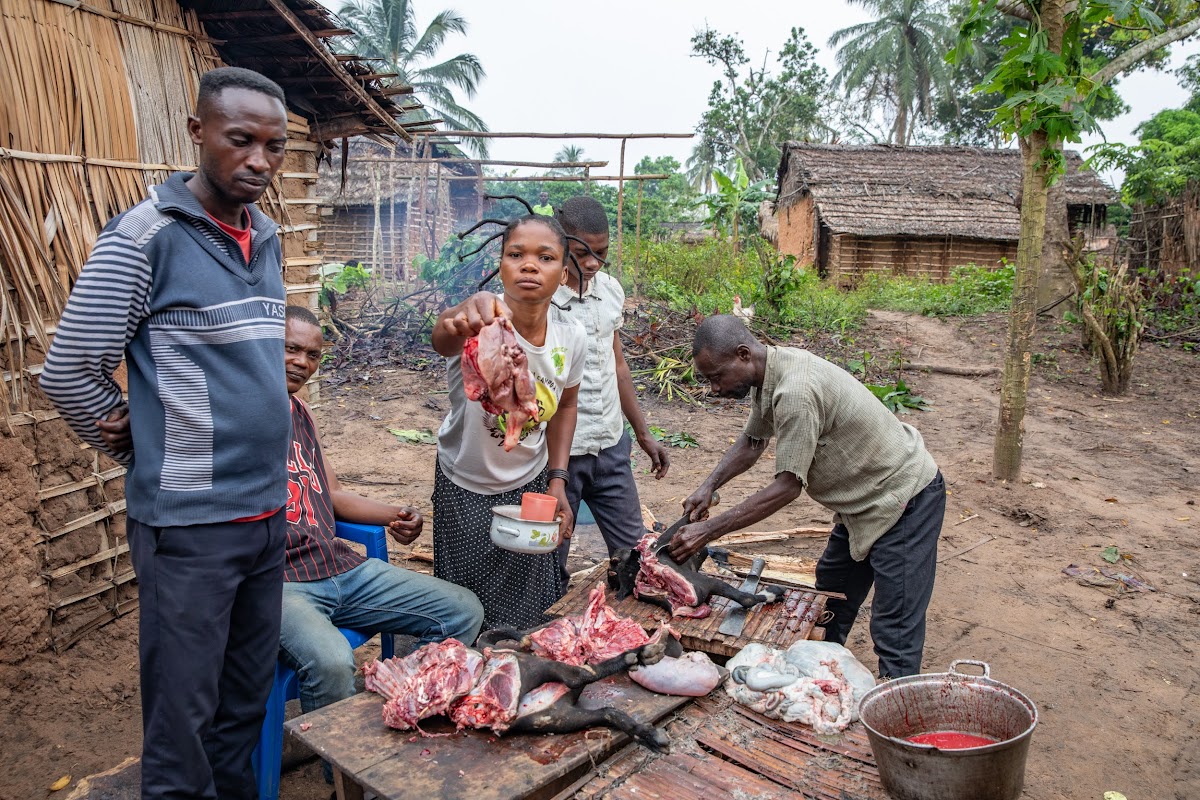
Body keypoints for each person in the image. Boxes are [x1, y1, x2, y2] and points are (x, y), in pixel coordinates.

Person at [40, 67, 294, 799]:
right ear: (196, 133)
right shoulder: (143, 238)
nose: (259, 162)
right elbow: (68, 370)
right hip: (190, 526)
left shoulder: (267, 235)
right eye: (240, 140)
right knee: (183, 720)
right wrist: (138, 442)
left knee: (242, 706)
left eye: (273, 147)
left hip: (265, 513)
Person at [668, 316, 946, 679]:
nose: (715, 389)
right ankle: (822, 672)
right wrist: (709, 485)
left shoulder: (796, 392)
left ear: (743, 354)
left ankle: (897, 708)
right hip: (861, 504)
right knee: (834, 591)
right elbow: (752, 443)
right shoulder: (771, 372)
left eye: (717, 377)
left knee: (895, 621)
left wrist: (709, 531)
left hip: (904, 497)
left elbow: (787, 487)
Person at [278, 306, 484, 722]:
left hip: (337, 566)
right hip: (279, 583)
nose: (302, 362)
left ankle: (409, 707)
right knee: (332, 662)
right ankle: (341, 774)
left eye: (313, 355)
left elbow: (330, 491)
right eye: (290, 349)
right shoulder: (234, 415)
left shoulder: (302, 413)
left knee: (462, 609)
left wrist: (393, 514)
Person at [431, 215, 586, 630]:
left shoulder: (571, 336)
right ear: (501, 264)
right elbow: (442, 335)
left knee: (529, 597)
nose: (529, 265)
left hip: (530, 480)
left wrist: (558, 479)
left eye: (545, 257)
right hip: (463, 480)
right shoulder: (480, 321)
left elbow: (566, 406)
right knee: (464, 599)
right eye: (516, 255)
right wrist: (461, 312)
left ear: (564, 272)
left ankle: (520, 670)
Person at [549, 196, 669, 583]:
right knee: (549, 564)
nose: (591, 263)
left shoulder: (610, 291)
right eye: (581, 252)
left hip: (611, 447)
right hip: (558, 456)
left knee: (637, 558)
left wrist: (643, 433)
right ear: (559, 241)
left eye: (600, 253)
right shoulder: (541, 299)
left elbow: (618, 366)